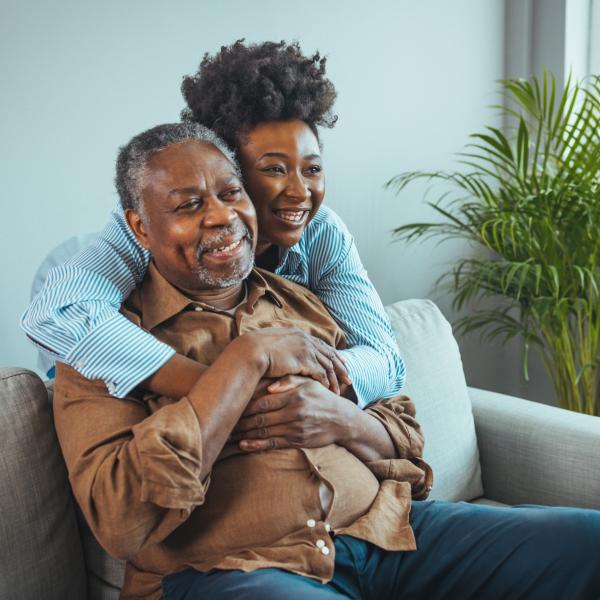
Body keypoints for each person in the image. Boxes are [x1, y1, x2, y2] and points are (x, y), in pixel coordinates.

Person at [54, 122, 600, 600]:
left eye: (230, 192)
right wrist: (243, 363)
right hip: (233, 571)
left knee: (586, 542)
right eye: (189, 204)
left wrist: (346, 420)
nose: (222, 216)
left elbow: (405, 437)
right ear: (140, 227)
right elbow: (121, 520)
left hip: (387, 533)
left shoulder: (299, 298)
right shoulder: (100, 347)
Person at [22, 40, 403, 409]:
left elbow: (386, 359)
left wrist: (302, 389)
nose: (300, 192)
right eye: (274, 169)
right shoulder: (142, 233)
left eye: (313, 169)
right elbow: (57, 312)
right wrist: (229, 388)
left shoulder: (322, 232)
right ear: (226, 169)